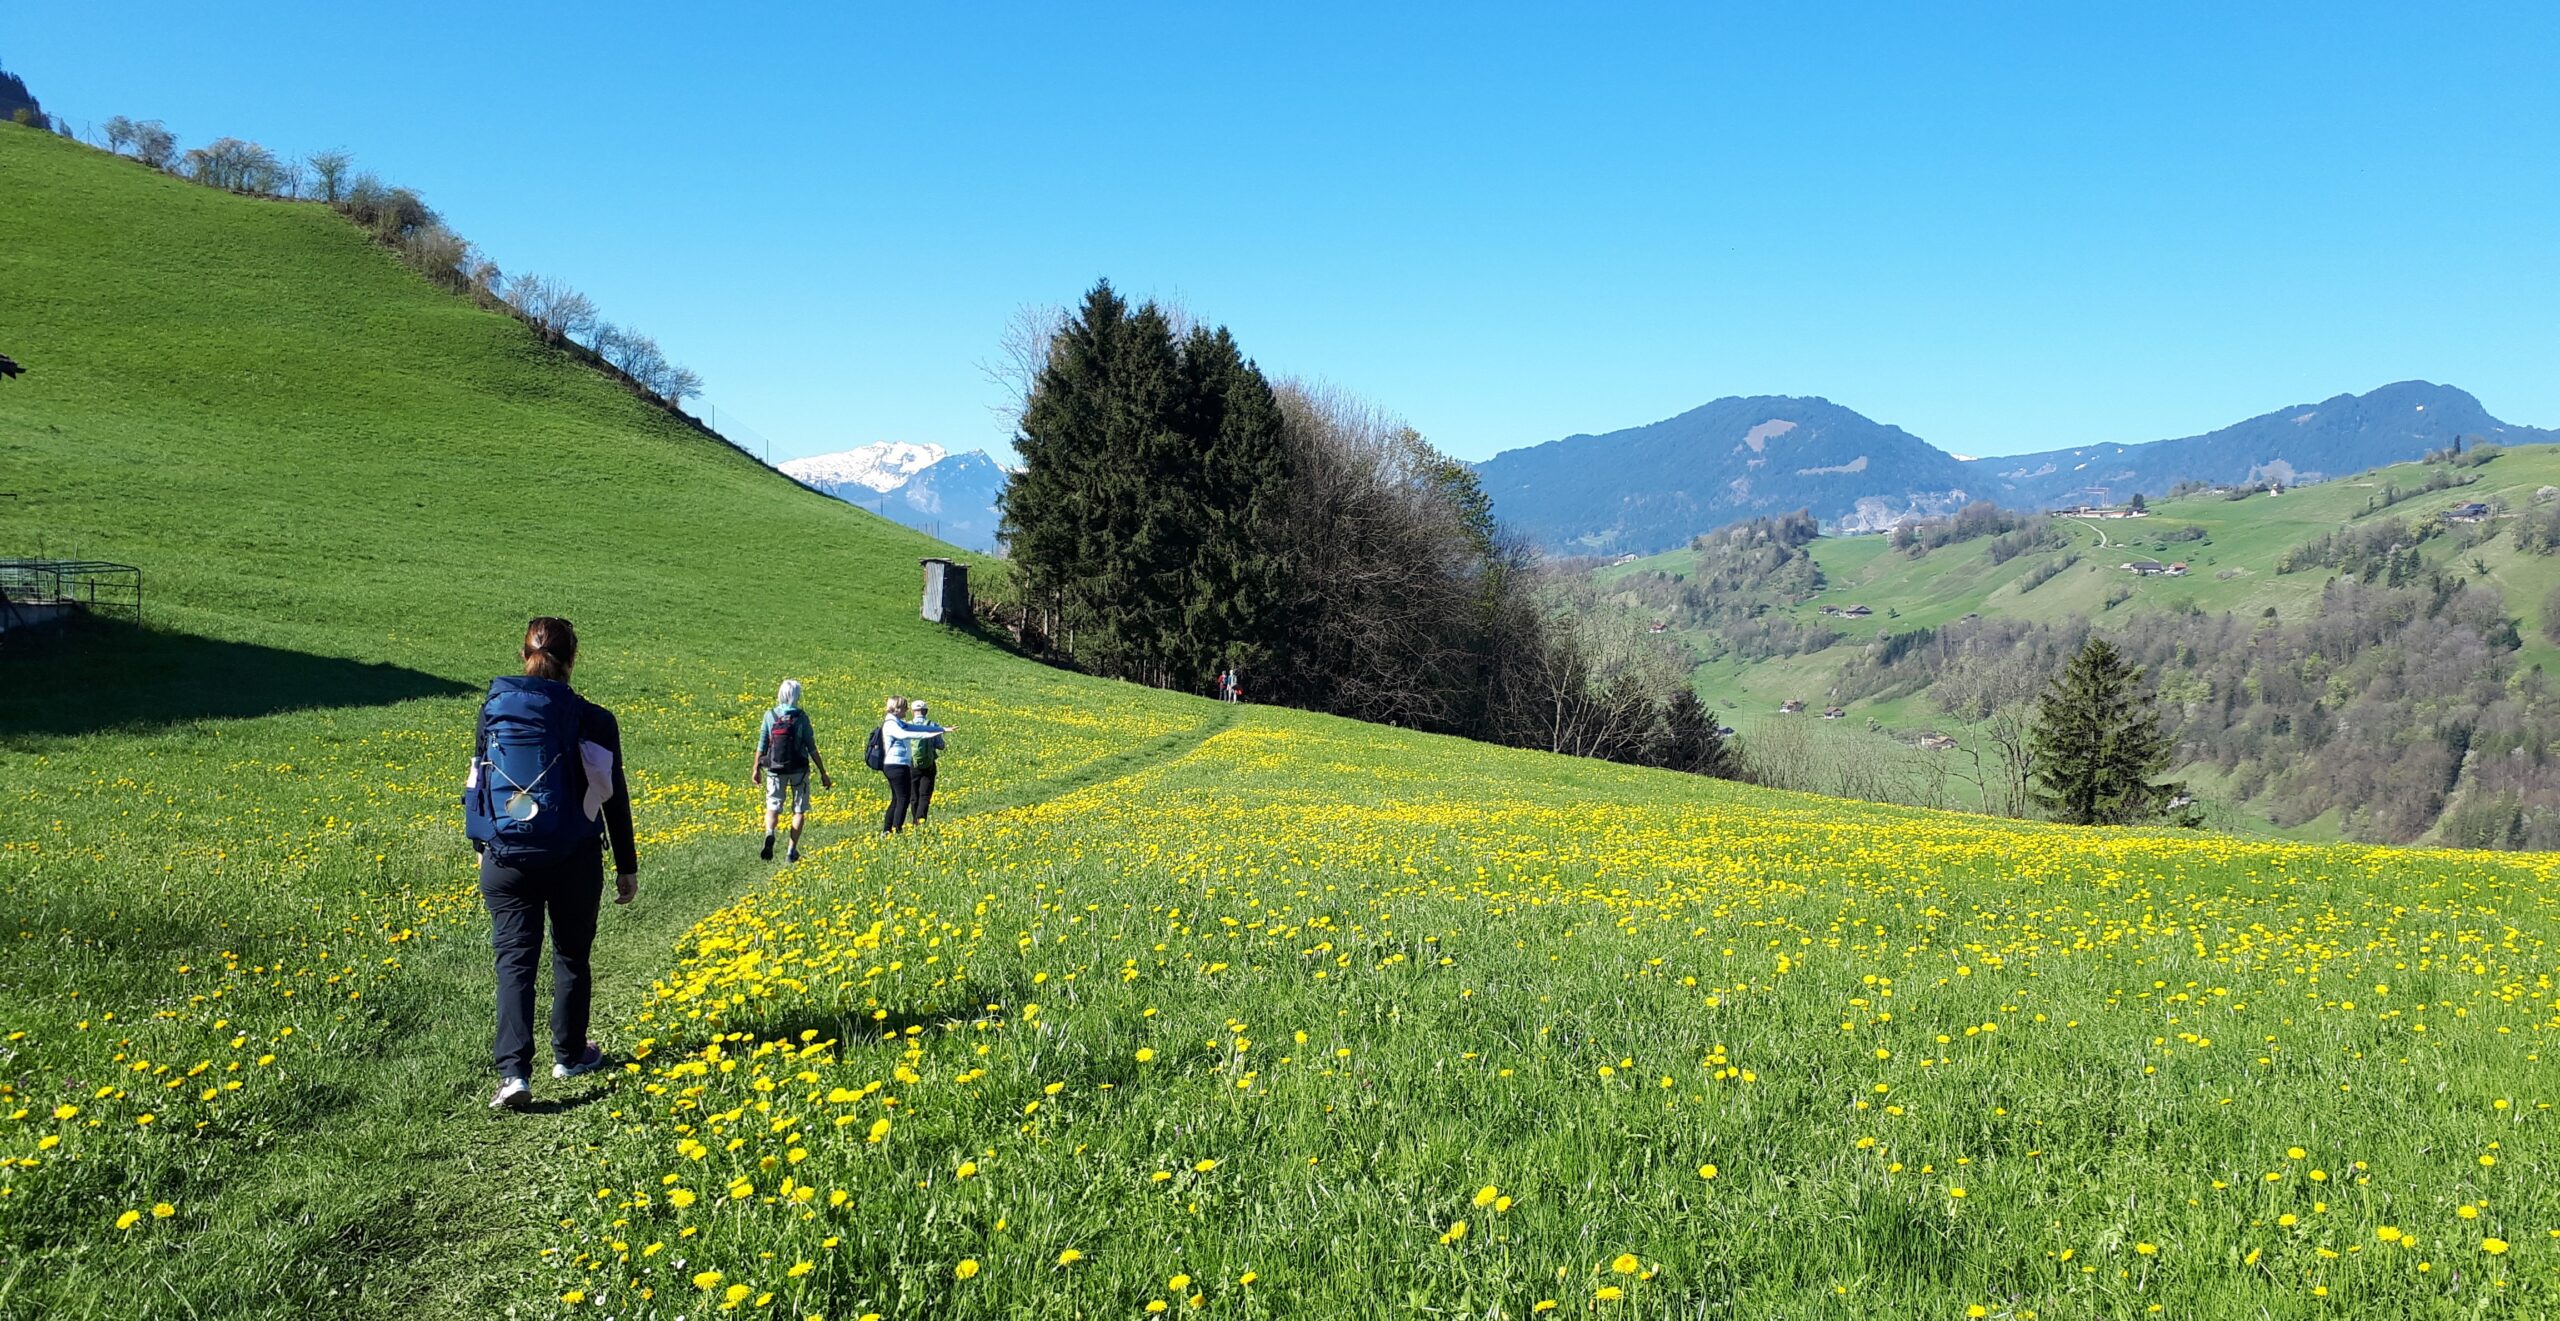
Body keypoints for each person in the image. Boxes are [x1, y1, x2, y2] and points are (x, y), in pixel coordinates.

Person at [463, 617, 637, 1112]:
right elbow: (613, 797)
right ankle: (570, 1054)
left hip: (505, 855)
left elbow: (478, 779)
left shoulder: (493, 710)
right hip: (573, 855)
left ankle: (513, 1075)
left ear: (524, 656)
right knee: (571, 954)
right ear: (572, 660)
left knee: (514, 961)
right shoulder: (594, 719)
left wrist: (481, 843)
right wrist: (626, 864)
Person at [749, 678, 832, 863]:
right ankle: (790, 852)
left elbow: (762, 744)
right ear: (796, 695)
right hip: (799, 769)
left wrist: (756, 768)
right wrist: (823, 772)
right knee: (799, 810)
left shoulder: (770, 715)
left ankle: (770, 832)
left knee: (773, 805)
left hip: (775, 769)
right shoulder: (801, 717)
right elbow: (811, 747)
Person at [878, 697, 958, 833]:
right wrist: (927, 735)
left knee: (898, 799)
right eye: (904, 707)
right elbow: (903, 735)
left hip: (899, 764)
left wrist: (942, 729)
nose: (907, 710)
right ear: (897, 709)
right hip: (896, 765)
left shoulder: (898, 722)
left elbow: (918, 727)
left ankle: (888, 830)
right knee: (903, 799)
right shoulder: (891, 724)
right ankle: (895, 829)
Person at [906, 699, 949, 823]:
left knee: (914, 795)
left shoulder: (907, 726)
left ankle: (915, 821)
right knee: (925, 795)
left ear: (912, 712)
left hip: (911, 764)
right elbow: (940, 745)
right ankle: (920, 820)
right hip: (928, 765)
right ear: (926, 711)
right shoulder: (932, 725)